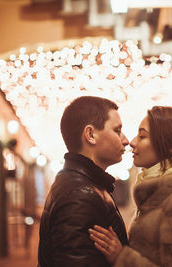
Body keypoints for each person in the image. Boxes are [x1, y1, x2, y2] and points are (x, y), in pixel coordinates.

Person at [89, 106, 172, 267]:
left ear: (169, 146)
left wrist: (122, 257)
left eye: (142, 136)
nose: (132, 142)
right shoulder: (157, 195)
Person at [38, 96, 129, 267]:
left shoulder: (82, 184)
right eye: (117, 131)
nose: (126, 140)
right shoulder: (80, 194)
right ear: (90, 135)